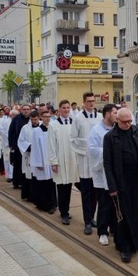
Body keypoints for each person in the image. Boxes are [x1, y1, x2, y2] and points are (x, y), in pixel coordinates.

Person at [103, 107, 138, 263]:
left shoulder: (136, 132)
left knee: (136, 212)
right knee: (123, 213)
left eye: (129, 121)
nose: (128, 124)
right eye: (124, 122)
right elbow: (107, 164)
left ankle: (135, 242)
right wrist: (112, 187)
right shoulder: (110, 137)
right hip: (120, 181)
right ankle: (124, 247)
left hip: (136, 179)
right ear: (117, 120)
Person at [87, 104, 118, 248]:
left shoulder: (117, 128)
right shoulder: (96, 131)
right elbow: (92, 150)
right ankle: (102, 232)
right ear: (107, 114)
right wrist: (108, 152)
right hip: (102, 174)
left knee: (116, 204)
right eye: (114, 113)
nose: (116, 116)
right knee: (104, 204)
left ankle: (114, 229)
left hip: (116, 174)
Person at [70, 92, 101, 235]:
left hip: (97, 160)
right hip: (84, 159)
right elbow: (73, 138)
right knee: (86, 192)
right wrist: (87, 145)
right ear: (83, 102)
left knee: (95, 192)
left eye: (93, 101)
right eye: (88, 101)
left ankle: (93, 217)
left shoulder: (100, 117)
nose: (91, 104)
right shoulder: (78, 118)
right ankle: (87, 221)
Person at [47, 100, 79, 225]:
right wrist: (53, 162)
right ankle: (64, 213)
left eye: (68, 108)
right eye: (64, 108)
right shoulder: (53, 125)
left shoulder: (74, 123)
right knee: (62, 187)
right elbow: (51, 145)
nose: (66, 110)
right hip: (60, 159)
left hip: (72, 159)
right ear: (59, 110)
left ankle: (67, 209)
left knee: (69, 186)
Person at [30, 110, 55, 213]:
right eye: (45, 117)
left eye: (49, 116)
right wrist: (38, 163)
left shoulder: (53, 129)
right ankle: (45, 205)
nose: (47, 119)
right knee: (43, 184)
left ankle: (53, 204)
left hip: (51, 160)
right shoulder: (37, 131)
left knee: (52, 183)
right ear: (41, 117)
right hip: (43, 161)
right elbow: (35, 148)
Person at [18, 110, 39, 202]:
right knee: (28, 175)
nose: (34, 121)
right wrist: (29, 146)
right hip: (29, 154)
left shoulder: (43, 127)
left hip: (39, 156)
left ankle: (37, 196)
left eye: (35, 119)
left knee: (38, 176)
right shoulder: (25, 128)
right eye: (32, 119)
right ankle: (29, 196)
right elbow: (21, 141)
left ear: (38, 118)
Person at [8, 105, 31, 190]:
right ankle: (17, 182)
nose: (26, 111)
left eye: (27, 109)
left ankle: (25, 182)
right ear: (21, 110)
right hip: (17, 145)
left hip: (28, 146)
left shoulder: (32, 119)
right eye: (24, 109)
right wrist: (11, 144)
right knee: (18, 165)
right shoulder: (16, 119)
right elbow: (11, 131)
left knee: (26, 165)